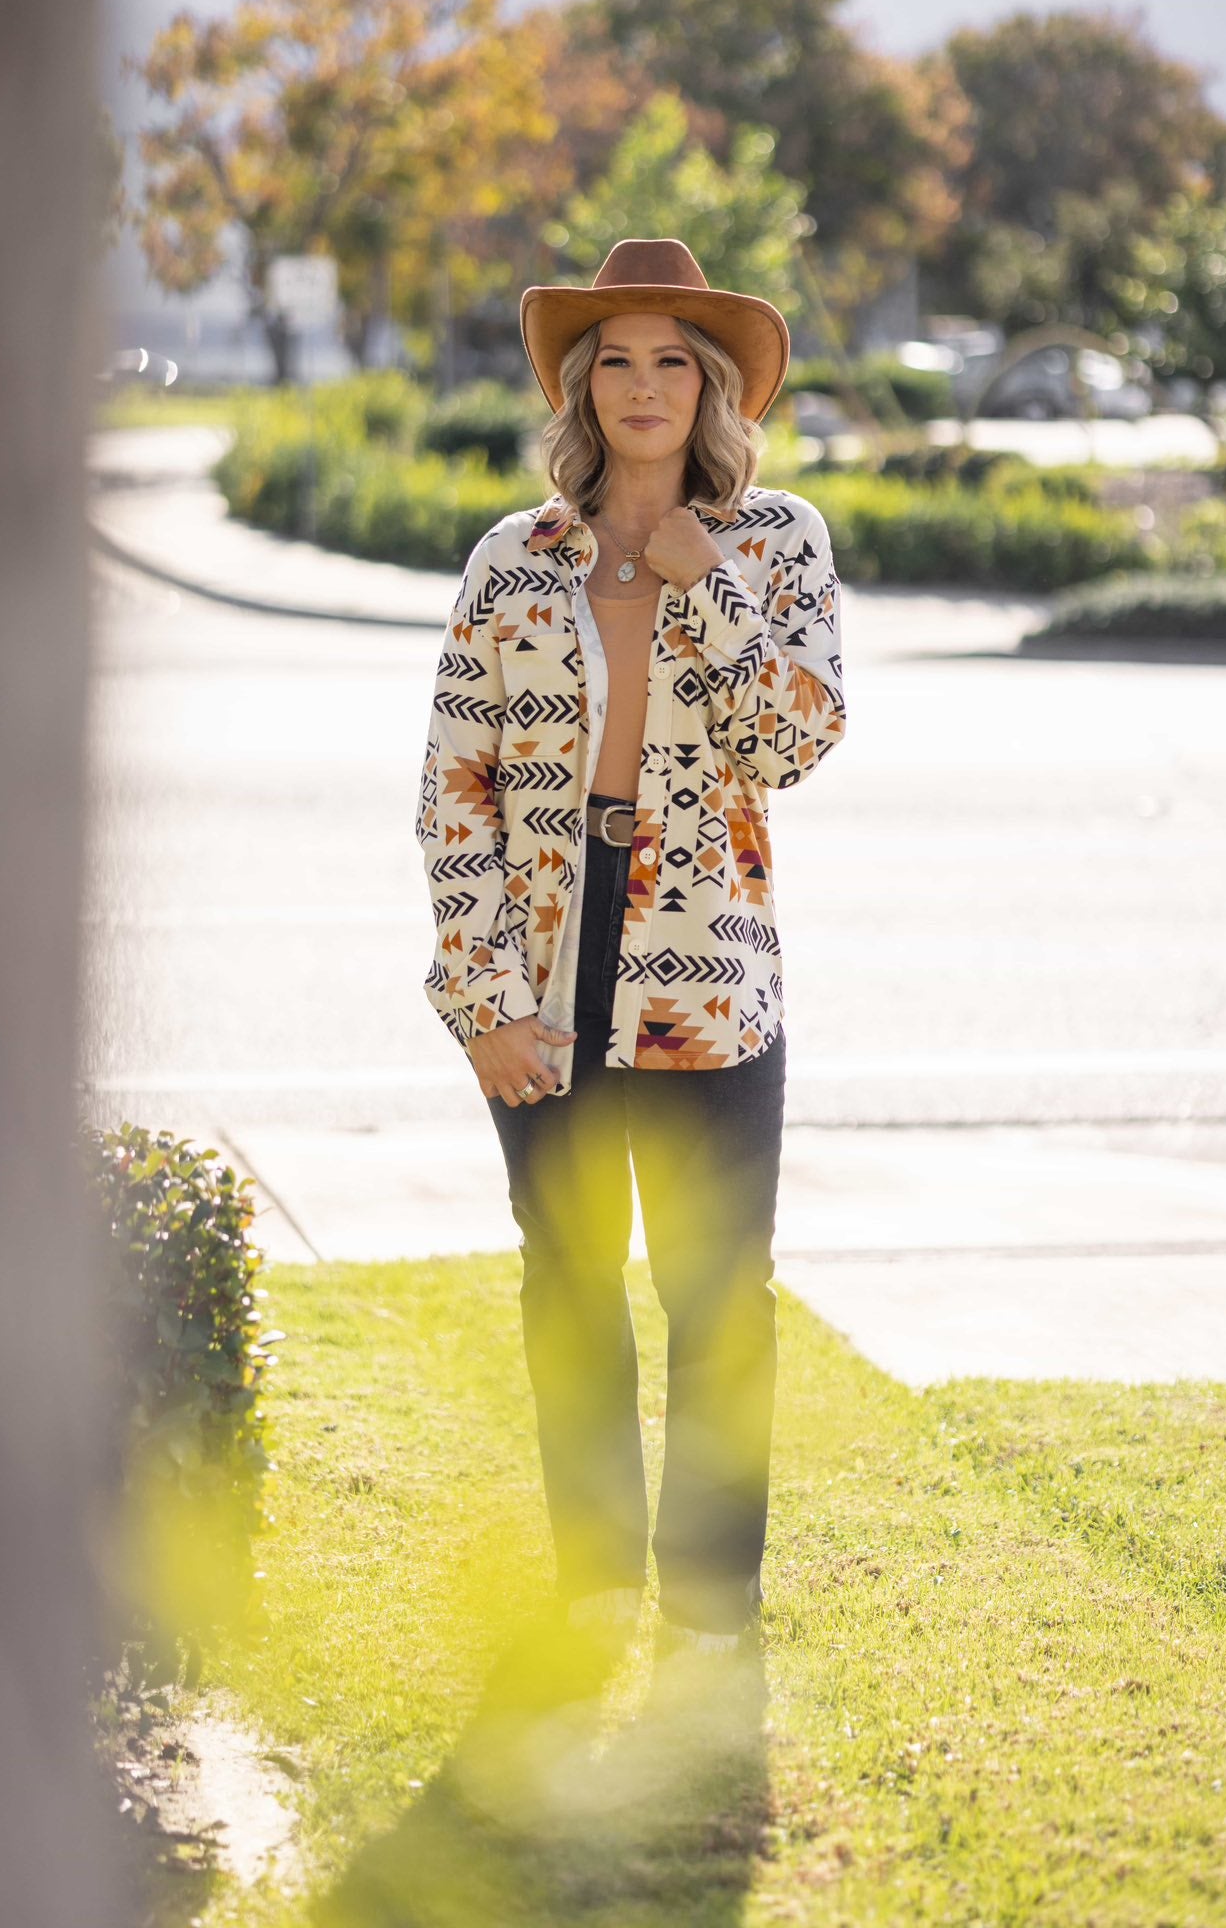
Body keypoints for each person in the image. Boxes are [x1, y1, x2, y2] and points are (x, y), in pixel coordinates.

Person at [415, 238, 846, 1650]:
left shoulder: (776, 542)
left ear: (712, 386)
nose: (643, 386)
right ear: (579, 385)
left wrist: (702, 580)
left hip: (703, 967)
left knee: (719, 1291)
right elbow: (452, 791)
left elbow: (789, 742)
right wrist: (482, 1002)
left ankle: (712, 1602)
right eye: (616, 358)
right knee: (567, 1274)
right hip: (544, 961)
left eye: (673, 360)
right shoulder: (513, 558)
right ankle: (594, 1584)